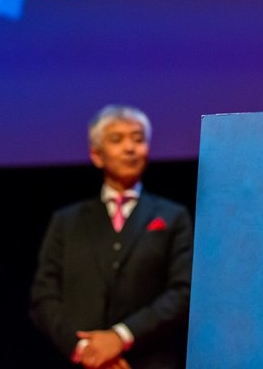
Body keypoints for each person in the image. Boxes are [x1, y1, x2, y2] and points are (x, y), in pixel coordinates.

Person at [31, 105, 194, 369]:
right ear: (96, 155)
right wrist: (86, 349)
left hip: (148, 361)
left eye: (138, 139)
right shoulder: (66, 221)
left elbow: (182, 292)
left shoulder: (173, 216)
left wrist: (121, 337)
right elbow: (44, 296)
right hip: (81, 361)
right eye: (117, 140)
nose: (130, 148)